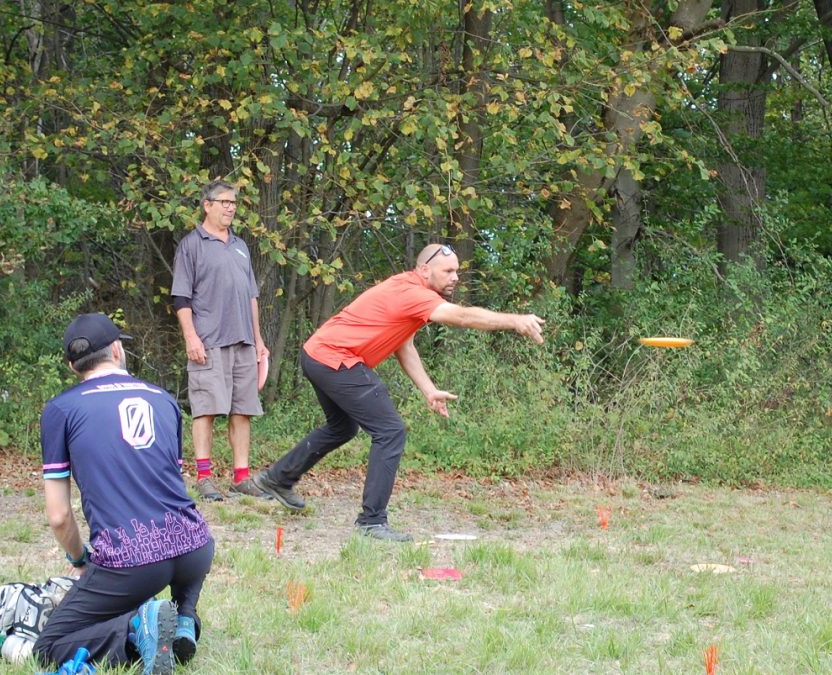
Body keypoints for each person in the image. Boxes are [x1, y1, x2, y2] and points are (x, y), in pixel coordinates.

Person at [247, 243, 546, 541]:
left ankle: (277, 478)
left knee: (342, 428)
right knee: (390, 431)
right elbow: (463, 317)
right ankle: (372, 521)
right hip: (335, 358)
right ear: (425, 270)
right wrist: (515, 320)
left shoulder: (411, 291)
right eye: (449, 271)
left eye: (457, 271)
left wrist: (429, 390)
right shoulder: (413, 293)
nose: (455, 277)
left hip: (318, 355)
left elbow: (404, 345)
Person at [34, 313, 215, 675]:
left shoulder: (62, 409)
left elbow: (58, 515)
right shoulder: (164, 400)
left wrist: (80, 560)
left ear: (73, 366)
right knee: (176, 555)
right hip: (196, 546)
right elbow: (167, 484)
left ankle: (136, 628)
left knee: (49, 646)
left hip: (134, 563)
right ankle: (184, 617)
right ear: (117, 350)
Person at [171, 179, 271, 500]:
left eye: (234, 203)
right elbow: (181, 299)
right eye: (224, 202)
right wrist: (191, 337)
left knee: (242, 410)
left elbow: (252, 296)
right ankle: (204, 477)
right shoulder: (192, 244)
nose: (230, 207)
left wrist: (258, 340)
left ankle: (241, 477)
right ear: (207, 205)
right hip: (209, 341)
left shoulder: (240, 246)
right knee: (207, 409)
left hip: (243, 341)